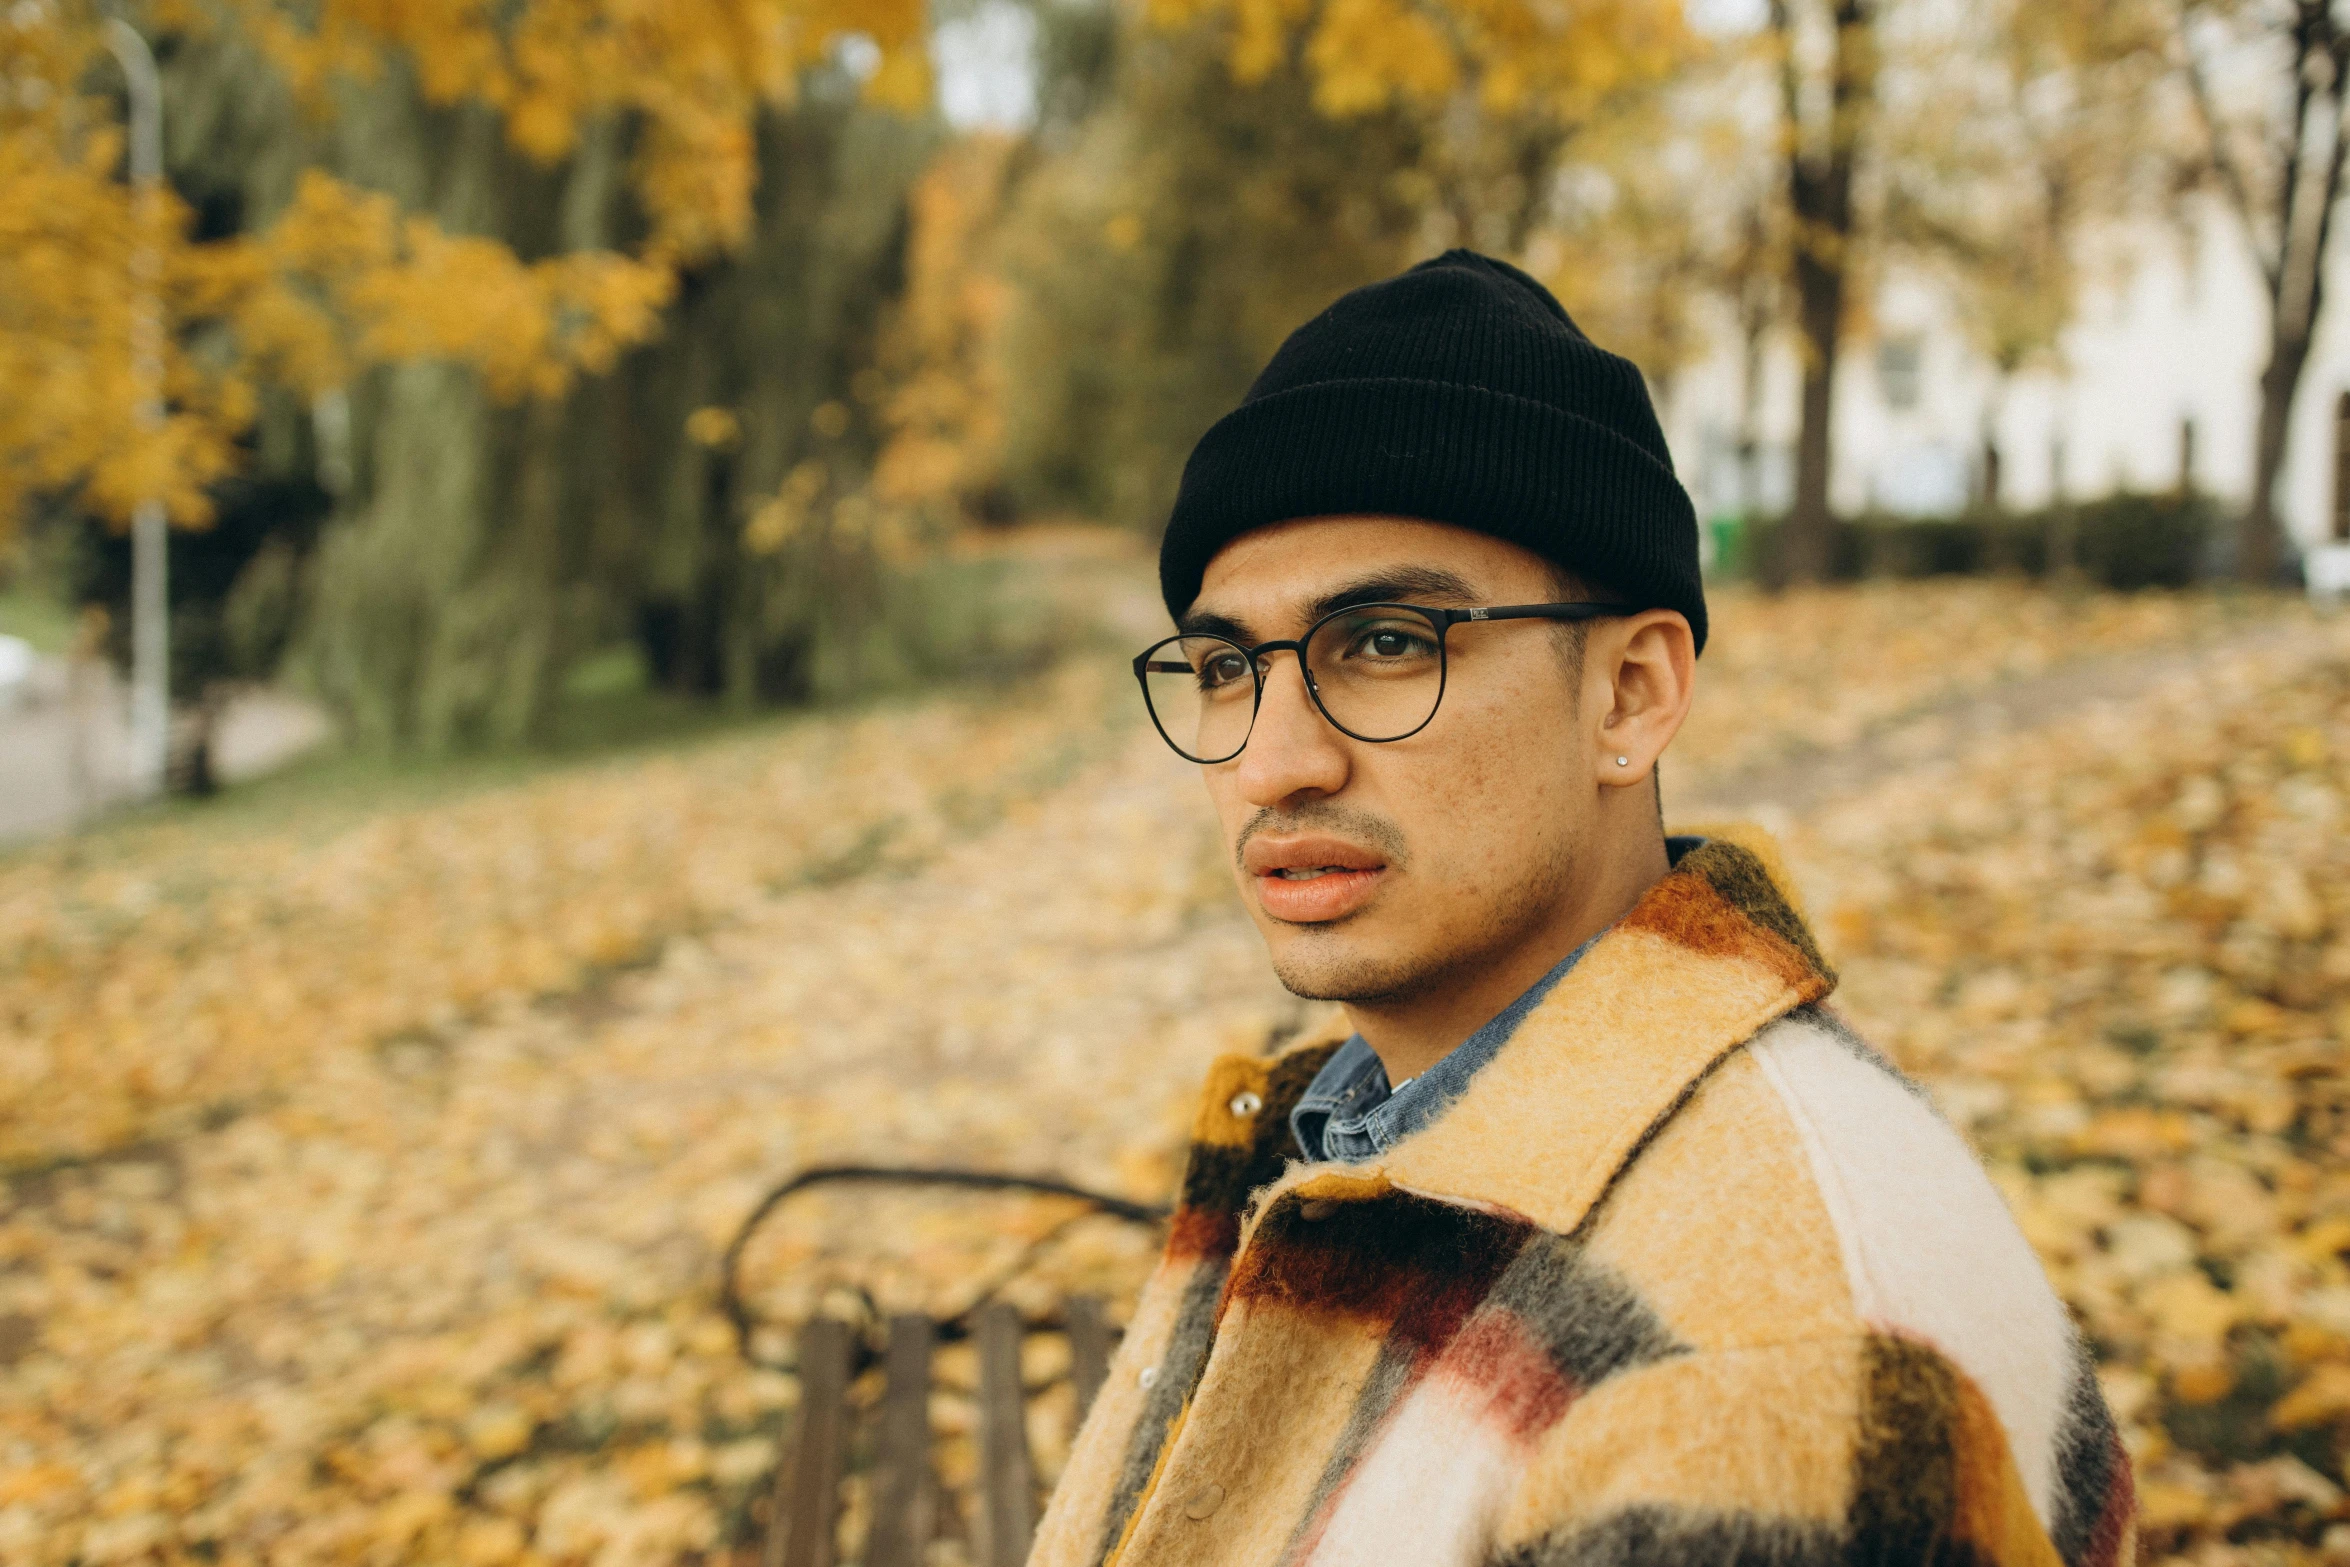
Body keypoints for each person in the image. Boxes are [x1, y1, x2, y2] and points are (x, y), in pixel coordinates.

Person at [1028, 252, 2135, 1567]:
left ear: (1627, 694)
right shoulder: (1351, 1126)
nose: (1272, 762)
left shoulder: (1770, 1362)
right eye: (1224, 666)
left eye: (1385, 641)